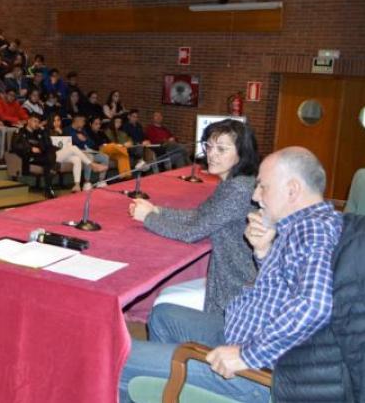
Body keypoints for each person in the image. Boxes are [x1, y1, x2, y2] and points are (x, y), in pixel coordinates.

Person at [119, 147, 342, 403]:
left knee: (120, 357)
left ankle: (155, 382)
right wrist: (263, 252)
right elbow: (289, 285)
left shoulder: (313, 232)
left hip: (257, 370)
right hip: (246, 330)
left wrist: (246, 356)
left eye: (263, 187)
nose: (256, 196)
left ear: (292, 189)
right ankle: (170, 390)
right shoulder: (308, 222)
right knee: (163, 315)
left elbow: (316, 303)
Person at [130, 119, 260, 314]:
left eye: (221, 149)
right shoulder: (234, 182)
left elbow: (193, 233)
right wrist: (158, 210)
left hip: (235, 287)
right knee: (167, 294)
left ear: (242, 153)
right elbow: (200, 215)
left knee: (163, 304)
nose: (211, 154)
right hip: (229, 276)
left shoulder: (238, 189)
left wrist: (148, 219)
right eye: (209, 146)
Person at [48, 113, 107, 192]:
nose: (57, 122)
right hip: (52, 155)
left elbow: (67, 143)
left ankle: (77, 185)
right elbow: (48, 144)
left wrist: (61, 133)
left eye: (58, 120)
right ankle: (92, 165)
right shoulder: (46, 130)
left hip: (64, 154)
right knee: (74, 148)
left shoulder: (63, 131)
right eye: (54, 121)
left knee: (76, 159)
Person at [11, 112, 57, 198]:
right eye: (34, 121)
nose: (36, 124)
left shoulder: (39, 133)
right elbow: (15, 146)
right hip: (28, 156)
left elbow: (48, 144)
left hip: (39, 157)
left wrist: (43, 131)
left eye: (38, 122)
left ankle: (48, 188)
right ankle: (48, 189)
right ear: (28, 121)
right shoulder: (20, 132)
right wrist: (30, 149)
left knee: (51, 156)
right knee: (51, 163)